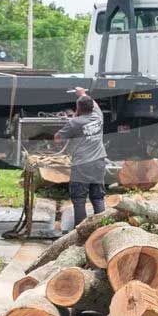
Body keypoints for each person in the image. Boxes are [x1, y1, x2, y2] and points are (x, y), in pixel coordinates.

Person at [54, 93, 109, 223]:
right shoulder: (99, 117)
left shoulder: (74, 123)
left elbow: (57, 139)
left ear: (78, 108)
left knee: (79, 200)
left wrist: (73, 118)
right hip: (99, 162)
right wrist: (83, 93)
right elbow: (96, 106)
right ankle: (101, 228)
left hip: (82, 165)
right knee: (97, 198)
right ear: (91, 108)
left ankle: (79, 233)